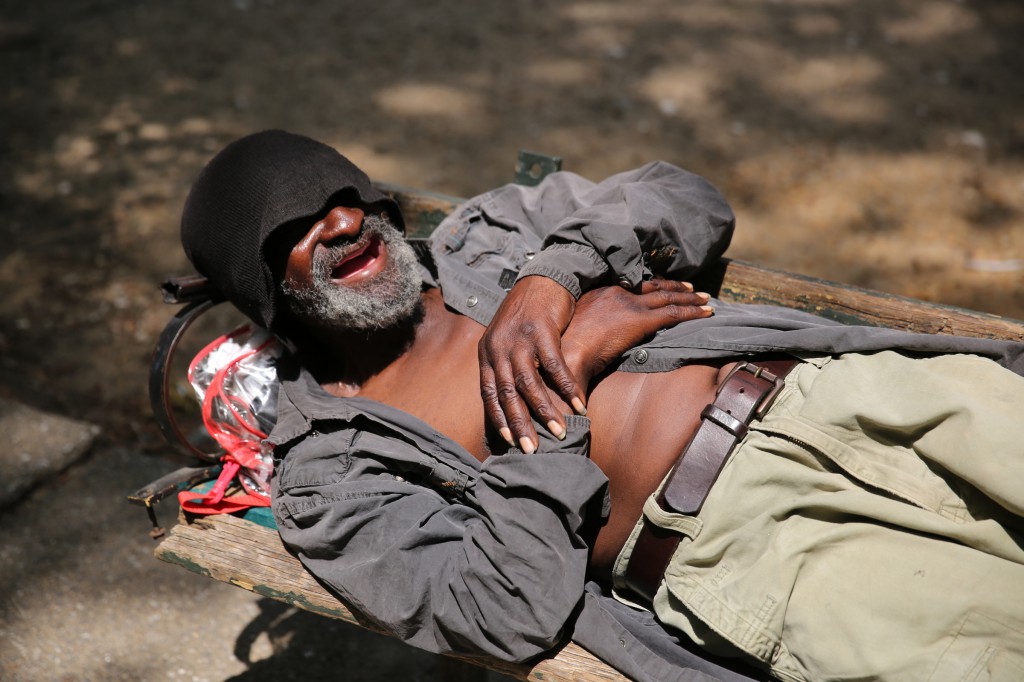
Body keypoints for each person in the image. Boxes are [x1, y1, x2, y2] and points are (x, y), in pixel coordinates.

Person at [180, 130, 1024, 682]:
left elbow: (683, 195)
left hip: (847, 396)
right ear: (262, 287)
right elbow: (496, 613)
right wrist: (566, 381)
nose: (340, 222)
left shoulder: (486, 239)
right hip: (762, 547)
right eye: (296, 224)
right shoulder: (332, 477)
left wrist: (552, 282)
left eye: (345, 197)